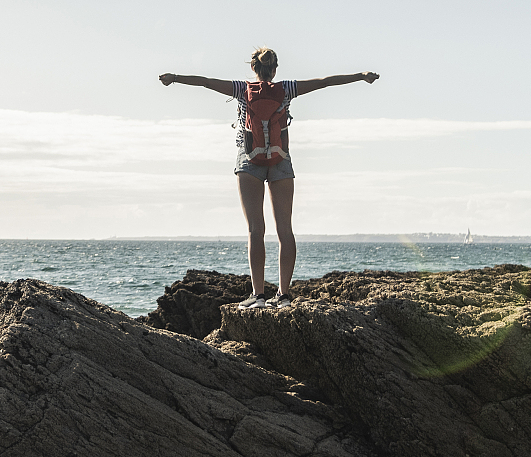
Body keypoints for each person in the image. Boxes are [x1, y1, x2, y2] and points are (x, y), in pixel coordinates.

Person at [158, 48, 378, 308]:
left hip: (248, 159)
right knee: (285, 230)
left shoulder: (242, 89)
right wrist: (361, 76)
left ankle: (258, 296)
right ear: (275, 69)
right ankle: (284, 296)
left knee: (255, 230)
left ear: (254, 68)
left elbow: (205, 82)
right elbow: (324, 82)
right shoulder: (287, 89)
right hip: (280, 159)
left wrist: (175, 77)